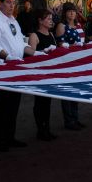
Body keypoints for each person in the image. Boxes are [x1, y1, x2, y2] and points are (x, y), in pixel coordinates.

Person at [0, 0, 35, 152]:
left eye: (13, 3)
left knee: (13, 105)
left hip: (17, 69)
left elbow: (21, 43)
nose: (11, 5)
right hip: (3, 69)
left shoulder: (14, 21)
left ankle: (10, 137)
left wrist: (38, 52)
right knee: (1, 107)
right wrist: (8, 57)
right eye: (8, 2)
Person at [27, 8, 59, 141]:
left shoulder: (51, 35)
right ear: (40, 20)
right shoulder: (34, 35)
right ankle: (41, 130)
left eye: (51, 18)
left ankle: (47, 128)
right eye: (48, 18)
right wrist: (44, 52)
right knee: (40, 102)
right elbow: (30, 54)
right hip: (39, 72)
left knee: (47, 102)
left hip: (50, 71)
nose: (51, 21)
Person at [55, 2, 87, 130]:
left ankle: (75, 118)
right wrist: (73, 47)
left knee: (76, 90)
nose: (72, 13)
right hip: (66, 62)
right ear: (65, 13)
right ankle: (68, 120)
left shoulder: (79, 25)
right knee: (67, 91)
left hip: (78, 61)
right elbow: (60, 45)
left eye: (73, 11)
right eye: (69, 11)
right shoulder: (62, 26)